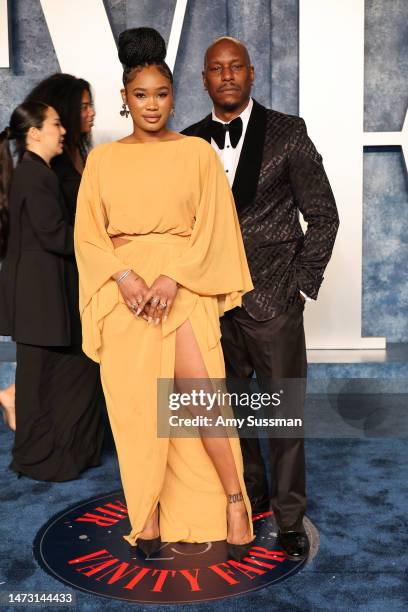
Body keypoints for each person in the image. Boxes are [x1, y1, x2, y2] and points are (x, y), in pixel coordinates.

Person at [74, 27, 254, 559]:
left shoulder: (197, 153)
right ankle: (147, 515)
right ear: (125, 101)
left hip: (182, 286)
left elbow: (216, 229)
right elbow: (87, 234)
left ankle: (233, 500)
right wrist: (126, 278)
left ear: (175, 96)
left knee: (200, 403)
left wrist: (172, 277)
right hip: (123, 293)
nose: (152, 105)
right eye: (140, 95)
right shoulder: (104, 160)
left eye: (161, 94)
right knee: (134, 411)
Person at [183, 36, 339, 560]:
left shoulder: (289, 133)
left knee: (281, 418)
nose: (226, 76)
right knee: (226, 414)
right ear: (204, 80)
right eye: (216, 69)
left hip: (272, 303)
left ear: (251, 75)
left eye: (236, 68)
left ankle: (290, 517)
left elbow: (323, 215)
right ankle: (248, 498)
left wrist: (296, 284)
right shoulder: (186, 144)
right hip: (208, 307)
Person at [0, 99, 104, 481]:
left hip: (41, 294)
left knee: (44, 379)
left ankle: (52, 453)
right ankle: (41, 456)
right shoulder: (34, 175)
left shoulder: (33, 172)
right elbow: (54, 235)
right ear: (35, 132)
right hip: (40, 296)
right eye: (56, 124)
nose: (64, 131)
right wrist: (105, 242)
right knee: (45, 380)